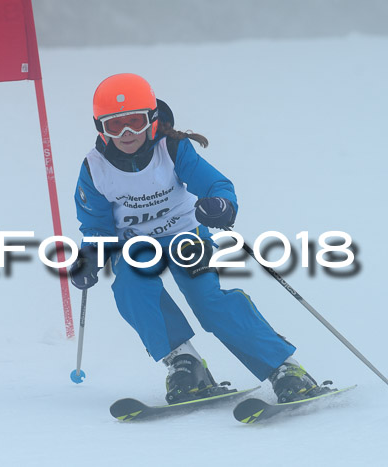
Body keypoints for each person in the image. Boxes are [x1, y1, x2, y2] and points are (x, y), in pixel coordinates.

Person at [69, 73, 331, 404]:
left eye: (134, 122)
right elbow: (96, 225)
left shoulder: (173, 149)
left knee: (209, 302)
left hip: (185, 236)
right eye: (114, 125)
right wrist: (90, 258)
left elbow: (216, 185)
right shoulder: (95, 168)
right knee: (131, 287)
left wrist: (220, 205)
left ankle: (284, 369)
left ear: (152, 120)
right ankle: (184, 362)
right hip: (136, 247)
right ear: (100, 128)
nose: (126, 134)